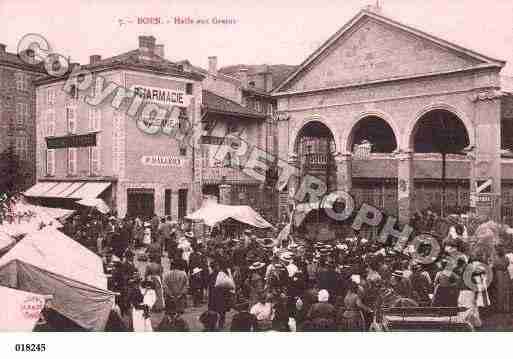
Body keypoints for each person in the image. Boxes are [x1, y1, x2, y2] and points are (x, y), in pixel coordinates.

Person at [491, 245, 512, 313]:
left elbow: (505, 264)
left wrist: (500, 266)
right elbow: (496, 265)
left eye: (501, 249)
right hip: (499, 275)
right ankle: (500, 307)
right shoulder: (496, 258)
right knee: (499, 291)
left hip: (504, 274)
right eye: (499, 250)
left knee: (506, 291)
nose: (500, 251)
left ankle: (506, 307)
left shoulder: (505, 257)